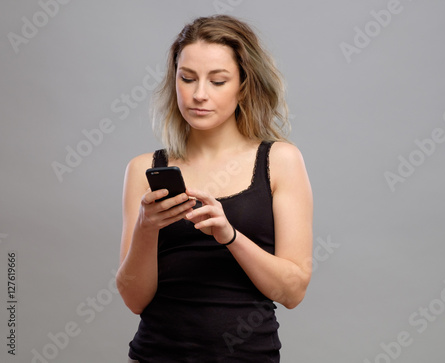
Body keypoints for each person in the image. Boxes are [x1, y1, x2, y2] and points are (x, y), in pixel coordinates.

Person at [117, 14, 313, 363]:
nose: (199, 94)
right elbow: (134, 299)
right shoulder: (144, 169)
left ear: (243, 84)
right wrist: (146, 227)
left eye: (218, 81)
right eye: (187, 78)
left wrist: (230, 236)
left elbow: (293, 290)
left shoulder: (280, 161)